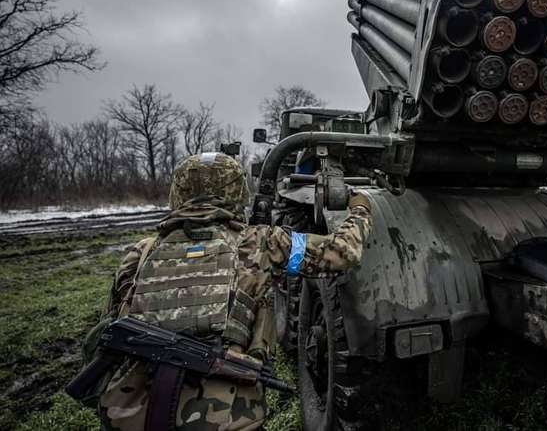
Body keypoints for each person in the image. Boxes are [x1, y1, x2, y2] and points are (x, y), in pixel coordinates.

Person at [80, 152, 372, 431]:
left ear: (178, 194)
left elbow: (104, 335)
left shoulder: (140, 253)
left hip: (129, 416)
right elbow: (340, 254)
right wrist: (360, 207)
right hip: (225, 418)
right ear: (236, 193)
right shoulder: (261, 244)